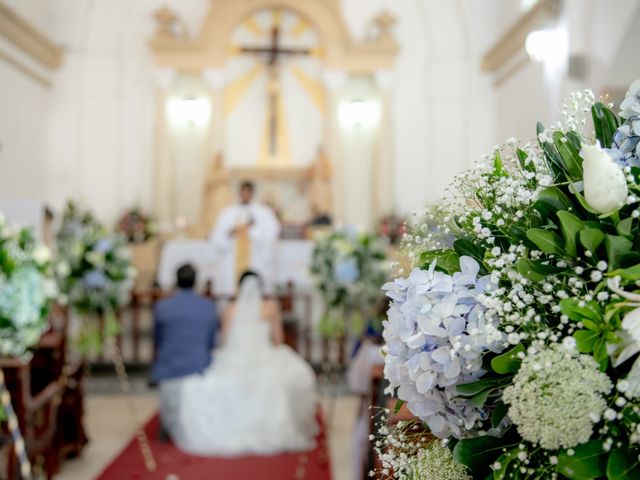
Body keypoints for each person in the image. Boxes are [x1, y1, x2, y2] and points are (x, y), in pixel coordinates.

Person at [166, 271, 318, 456]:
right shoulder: (270, 308)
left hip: (235, 359)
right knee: (292, 375)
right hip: (264, 357)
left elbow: (225, 341)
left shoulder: (231, 309)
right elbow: (278, 340)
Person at [151, 264, 218, 437]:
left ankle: (167, 425)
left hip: (168, 365)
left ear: (176, 281)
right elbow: (211, 341)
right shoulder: (207, 306)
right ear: (196, 282)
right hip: (198, 365)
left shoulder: (162, 306)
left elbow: (158, 339)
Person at [209, 181, 280, 295]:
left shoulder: (263, 212)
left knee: (255, 290)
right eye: (243, 192)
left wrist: (252, 230)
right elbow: (217, 236)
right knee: (231, 290)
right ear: (239, 193)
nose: (245, 195)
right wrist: (231, 232)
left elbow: (271, 233)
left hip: (255, 258)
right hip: (232, 258)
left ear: (252, 193)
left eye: (248, 192)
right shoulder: (227, 212)